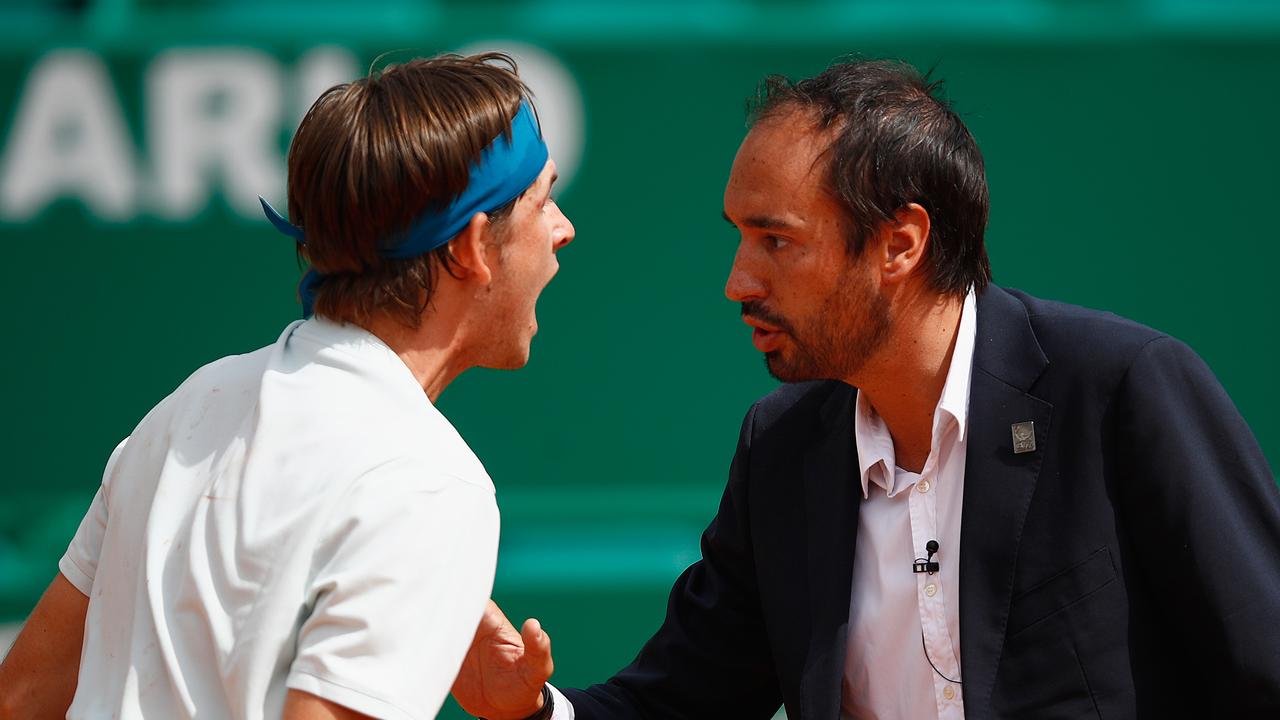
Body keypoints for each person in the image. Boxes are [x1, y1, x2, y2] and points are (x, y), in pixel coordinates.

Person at [451, 58, 1280, 720]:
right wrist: (532, 714)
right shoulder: (780, 452)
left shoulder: (1123, 390)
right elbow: (675, 701)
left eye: (776, 241)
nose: (738, 281)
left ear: (900, 244)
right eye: (741, 238)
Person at [0, 52, 572, 720]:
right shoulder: (429, 485)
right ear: (471, 247)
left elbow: (21, 696)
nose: (563, 229)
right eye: (543, 201)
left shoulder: (189, 407)